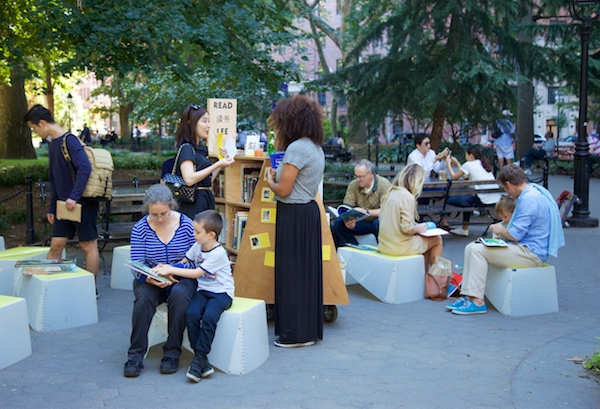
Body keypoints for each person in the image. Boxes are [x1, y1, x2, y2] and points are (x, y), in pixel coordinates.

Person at [446, 164, 565, 315]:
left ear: (509, 185)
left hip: (530, 253)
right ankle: (469, 295)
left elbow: (515, 235)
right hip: (525, 248)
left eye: (505, 188)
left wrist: (501, 229)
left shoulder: (528, 199)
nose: (506, 192)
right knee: (472, 247)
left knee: (476, 250)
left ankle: (477, 301)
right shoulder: (532, 193)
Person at [266, 94, 325, 348]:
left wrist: (270, 180)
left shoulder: (297, 148)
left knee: (291, 275)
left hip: (293, 215)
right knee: (306, 276)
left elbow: (284, 189)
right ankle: (307, 331)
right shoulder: (315, 147)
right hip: (308, 213)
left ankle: (294, 335)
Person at [123, 184, 197, 377]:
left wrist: (174, 269)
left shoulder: (187, 224)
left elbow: (195, 258)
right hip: (150, 278)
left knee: (180, 297)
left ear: (171, 206)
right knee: (143, 301)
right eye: (154, 215)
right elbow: (137, 263)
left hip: (181, 277)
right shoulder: (140, 228)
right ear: (147, 210)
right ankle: (135, 356)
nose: (160, 219)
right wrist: (149, 276)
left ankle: (172, 353)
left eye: (164, 213)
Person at [24, 105, 100, 290]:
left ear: (42, 123)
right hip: (63, 205)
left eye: (34, 128)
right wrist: (52, 207)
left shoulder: (70, 140)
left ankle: (90, 290)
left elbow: (85, 168)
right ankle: (50, 289)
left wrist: (74, 197)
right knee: (56, 245)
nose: (35, 132)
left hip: (82, 204)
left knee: (88, 246)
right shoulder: (53, 143)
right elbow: (55, 178)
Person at [154, 210, 233, 383]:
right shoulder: (198, 246)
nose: (193, 234)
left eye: (197, 232)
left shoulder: (218, 254)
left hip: (221, 293)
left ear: (211, 235)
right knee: (191, 314)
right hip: (203, 290)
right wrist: (166, 268)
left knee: (210, 317)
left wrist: (170, 269)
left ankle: (199, 357)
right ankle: (202, 361)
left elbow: (196, 272)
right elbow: (186, 261)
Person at [171, 104, 234, 220]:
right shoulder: (187, 148)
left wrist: (221, 162)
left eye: (209, 121)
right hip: (192, 205)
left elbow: (207, 181)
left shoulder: (200, 150)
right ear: (191, 123)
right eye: (204, 121)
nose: (208, 125)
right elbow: (189, 179)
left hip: (205, 199)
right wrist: (218, 164)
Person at [378, 163, 444, 272]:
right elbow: (407, 228)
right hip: (399, 246)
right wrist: (419, 228)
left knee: (427, 243)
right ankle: (436, 278)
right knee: (437, 239)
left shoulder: (389, 192)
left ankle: (425, 277)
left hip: (384, 245)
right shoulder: (407, 197)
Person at [441, 146, 502, 236]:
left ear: (471, 156)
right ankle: (461, 228)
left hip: (483, 200)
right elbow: (465, 177)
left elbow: (454, 177)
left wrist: (449, 163)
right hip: (495, 198)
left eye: (466, 155)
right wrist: (458, 163)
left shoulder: (469, 164)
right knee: (467, 196)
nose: (465, 157)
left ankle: (462, 228)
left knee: (453, 198)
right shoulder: (483, 163)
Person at [330, 159, 392, 247]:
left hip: (377, 220)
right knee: (337, 224)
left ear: (370, 174)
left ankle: (383, 250)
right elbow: (347, 207)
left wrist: (366, 212)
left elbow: (388, 209)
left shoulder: (383, 184)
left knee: (378, 223)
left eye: (361, 176)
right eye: (356, 176)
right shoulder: (353, 185)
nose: (358, 180)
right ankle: (352, 249)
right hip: (359, 221)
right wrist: (349, 220)